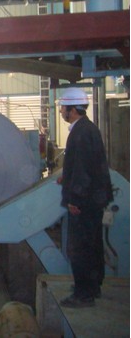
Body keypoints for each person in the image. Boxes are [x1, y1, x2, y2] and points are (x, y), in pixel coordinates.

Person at [58, 87, 113, 308]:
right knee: (93, 244)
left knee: (79, 248)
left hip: (85, 201)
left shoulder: (80, 133)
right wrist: (67, 178)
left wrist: (75, 199)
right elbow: (87, 165)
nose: (61, 111)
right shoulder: (87, 129)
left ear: (72, 110)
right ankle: (93, 286)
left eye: (63, 108)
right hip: (94, 199)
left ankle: (83, 294)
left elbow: (82, 170)